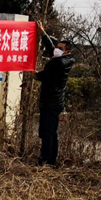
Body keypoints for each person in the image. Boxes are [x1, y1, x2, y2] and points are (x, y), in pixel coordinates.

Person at [33, 27, 75, 167]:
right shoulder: (66, 60)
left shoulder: (58, 63)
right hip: (55, 102)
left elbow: (43, 76)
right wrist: (44, 34)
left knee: (47, 132)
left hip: (50, 103)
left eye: (60, 48)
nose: (56, 50)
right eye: (57, 47)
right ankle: (51, 159)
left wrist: (34, 74)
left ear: (67, 51)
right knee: (51, 132)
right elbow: (52, 50)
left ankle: (46, 159)